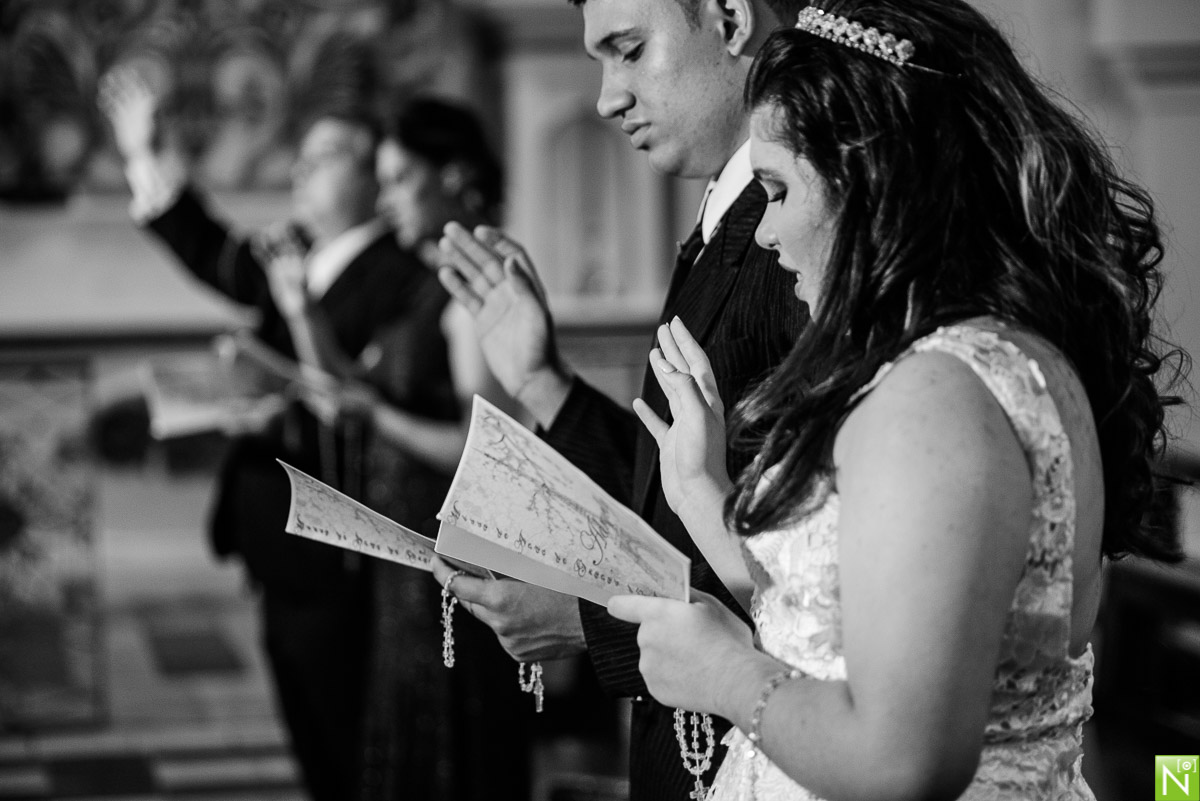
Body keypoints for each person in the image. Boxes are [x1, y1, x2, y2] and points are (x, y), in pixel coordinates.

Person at [605, 2, 1188, 799]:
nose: (767, 233)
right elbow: (839, 631)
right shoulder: (1000, 361)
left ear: (869, 181)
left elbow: (903, 761)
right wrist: (702, 492)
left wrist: (725, 673)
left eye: (777, 190)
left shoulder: (934, 403)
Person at [432, 0, 809, 797]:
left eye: (629, 50)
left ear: (730, 18)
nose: (606, 97)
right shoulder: (730, 214)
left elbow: (809, 572)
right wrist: (543, 381)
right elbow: (672, 503)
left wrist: (586, 619)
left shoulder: (799, 237)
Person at [99, 67, 416, 801]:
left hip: (341, 551)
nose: (300, 170)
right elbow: (210, 250)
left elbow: (372, 399)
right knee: (312, 741)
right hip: (278, 545)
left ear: (377, 175)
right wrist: (146, 152)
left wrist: (288, 404)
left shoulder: (399, 273)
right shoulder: (292, 250)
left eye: (325, 156)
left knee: (350, 743)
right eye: (299, 156)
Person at [261, 95, 535, 801]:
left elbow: (483, 453)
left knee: (450, 755)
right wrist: (300, 309)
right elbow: (347, 390)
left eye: (399, 179)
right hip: (408, 567)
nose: (384, 199)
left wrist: (377, 414)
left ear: (454, 176)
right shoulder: (424, 281)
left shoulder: (475, 288)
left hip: (454, 561)